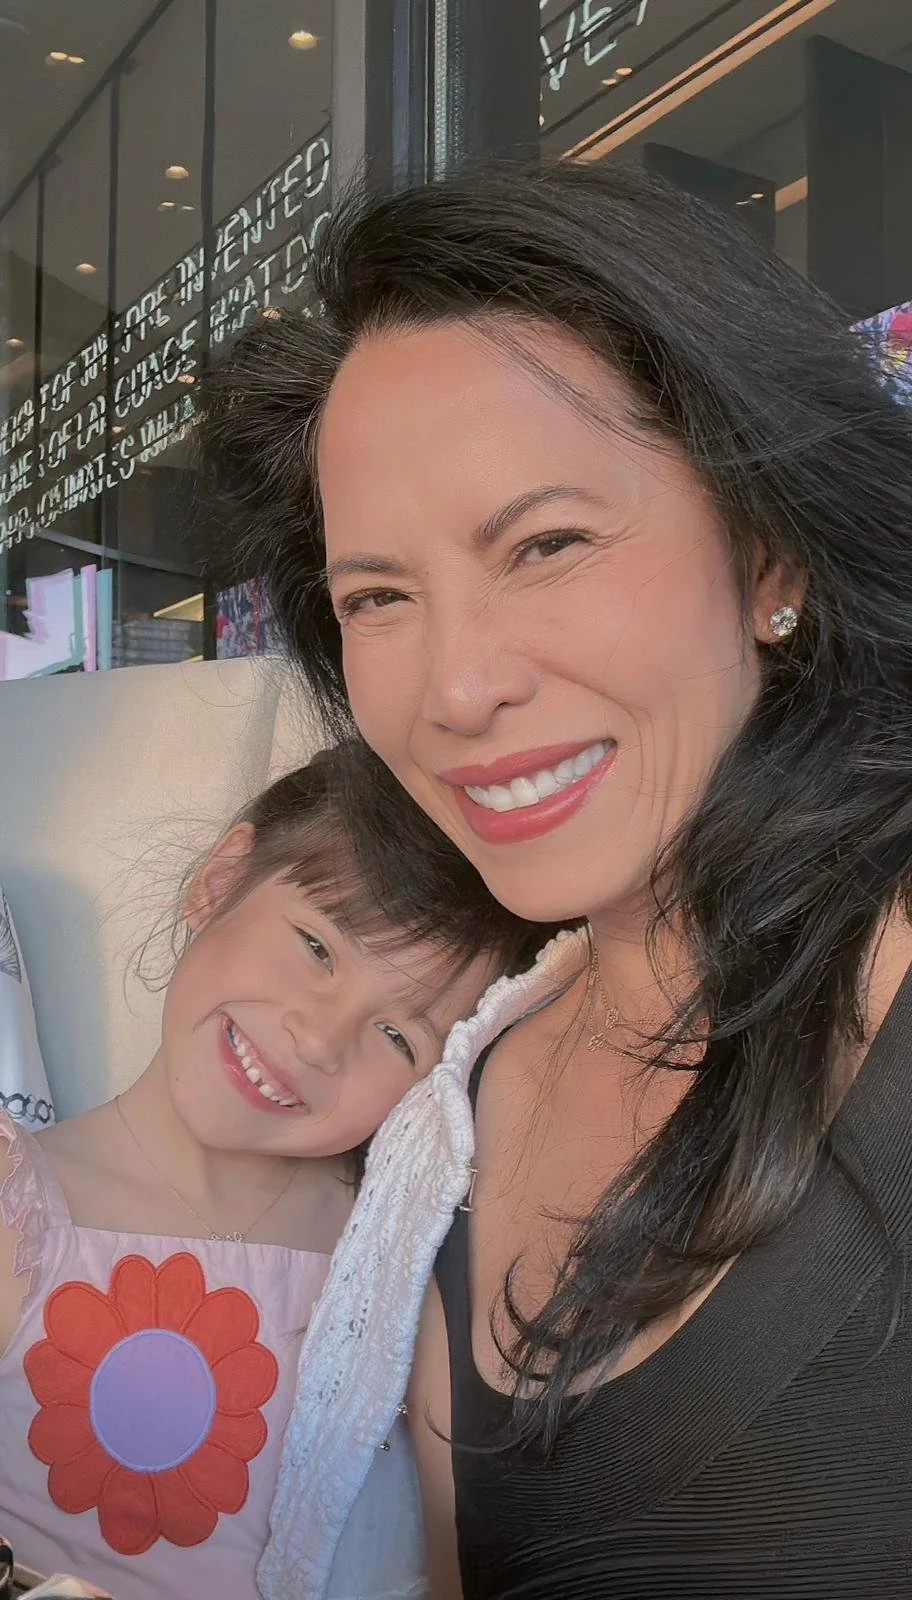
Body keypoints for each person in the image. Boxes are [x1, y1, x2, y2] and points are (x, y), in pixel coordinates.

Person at [201, 161, 912, 1597]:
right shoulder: (454, 1122)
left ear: (765, 550)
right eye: (379, 598)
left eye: (548, 544)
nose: (455, 687)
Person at [0, 742, 550, 1600]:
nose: (318, 1039)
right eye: (318, 948)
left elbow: (455, 1563)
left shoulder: (405, 1260)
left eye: (399, 1036)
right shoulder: (17, 1206)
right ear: (220, 882)